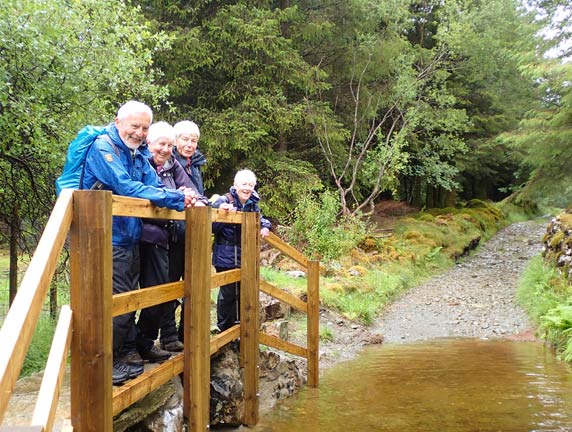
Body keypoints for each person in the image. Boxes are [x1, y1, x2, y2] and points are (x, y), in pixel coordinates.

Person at [81, 101, 200, 386]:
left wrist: (179, 194)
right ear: (118, 121)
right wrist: (174, 199)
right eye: (134, 126)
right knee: (116, 303)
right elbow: (124, 186)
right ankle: (104, 364)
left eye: (144, 127)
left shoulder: (136, 155)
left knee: (127, 302)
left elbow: (155, 186)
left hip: (129, 236)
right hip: (105, 238)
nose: (138, 132)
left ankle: (116, 357)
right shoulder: (103, 148)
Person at [136, 121, 208, 357]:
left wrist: (196, 198)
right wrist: (177, 196)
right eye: (162, 144)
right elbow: (148, 193)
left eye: (168, 145)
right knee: (144, 293)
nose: (166, 149)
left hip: (166, 234)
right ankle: (139, 345)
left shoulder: (175, 165)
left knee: (162, 291)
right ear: (149, 144)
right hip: (144, 234)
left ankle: (147, 342)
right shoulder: (142, 162)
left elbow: (192, 193)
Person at [211, 169, 272, 332]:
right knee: (228, 293)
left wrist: (265, 226)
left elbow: (260, 218)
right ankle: (224, 328)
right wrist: (224, 216)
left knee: (244, 291)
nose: (247, 188)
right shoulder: (225, 200)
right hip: (225, 254)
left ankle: (241, 327)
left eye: (251, 185)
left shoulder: (253, 203)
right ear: (235, 185)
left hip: (246, 255)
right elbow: (211, 227)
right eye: (244, 184)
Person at [170, 120, 207, 342]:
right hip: (174, 231)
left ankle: (188, 333)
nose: (190, 144)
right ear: (176, 141)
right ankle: (169, 335)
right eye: (185, 139)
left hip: (193, 232)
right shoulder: (170, 162)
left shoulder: (196, 165)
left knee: (195, 284)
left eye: (194, 140)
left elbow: (197, 194)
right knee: (172, 285)